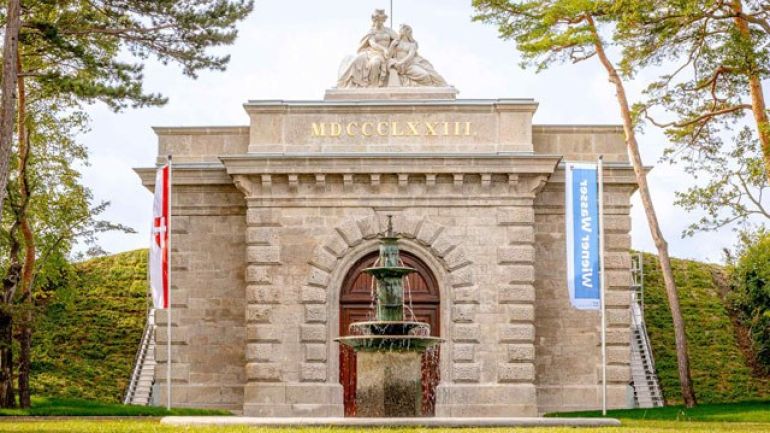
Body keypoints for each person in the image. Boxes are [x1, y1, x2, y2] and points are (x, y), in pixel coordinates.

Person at [337, 9, 398, 88]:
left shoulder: (389, 31)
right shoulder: (371, 31)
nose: (379, 21)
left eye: (381, 19)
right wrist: (384, 49)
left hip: (382, 55)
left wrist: (391, 47)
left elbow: (398, 40)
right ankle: (344, 82)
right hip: (372, 52)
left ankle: (373, 85)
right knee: (355, 61)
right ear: (374, 19)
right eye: (377, 19)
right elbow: (373, 44)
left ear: (383, 20)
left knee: (375, 63)